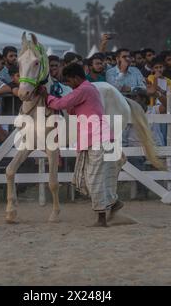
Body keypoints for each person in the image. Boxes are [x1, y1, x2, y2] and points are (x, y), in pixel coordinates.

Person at [46, 63, 125, 227]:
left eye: (69, 81)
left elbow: (61, 104)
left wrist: (46, 97)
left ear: (76, 78)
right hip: (97, 138)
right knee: (94, 178)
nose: (69, 85)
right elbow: (73, 110)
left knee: (92, 178)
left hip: (97, 138)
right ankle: (113, 203)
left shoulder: (83, 89)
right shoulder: (88, 89)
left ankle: (102, 217)